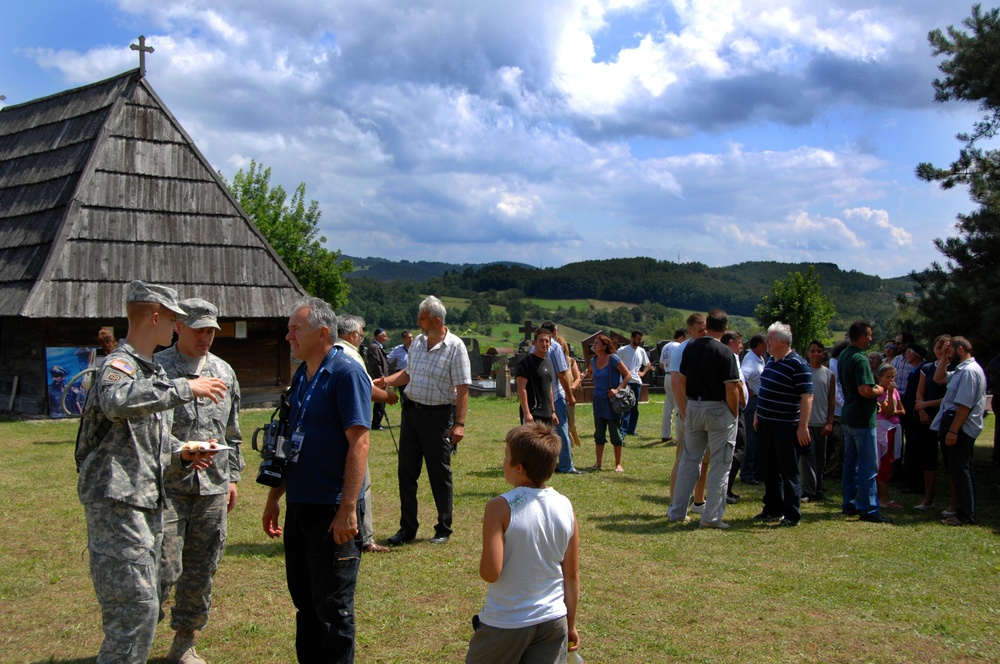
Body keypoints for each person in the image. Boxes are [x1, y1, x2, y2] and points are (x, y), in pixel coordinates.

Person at [75, 280, 227, 664]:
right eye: (174, 319)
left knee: (140, 612)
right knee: (134, 613)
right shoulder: (120, 365)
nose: (178, 326)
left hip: (143, 504)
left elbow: (149, 440)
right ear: (157, 317)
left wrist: (184, 452)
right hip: (118, 506)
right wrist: (185, 388)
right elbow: (115, 401)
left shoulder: (149, 370)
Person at [262, 297, 371, 662]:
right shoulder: (303, 374)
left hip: (331, 511)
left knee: (333, 611)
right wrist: (274, 496)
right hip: (300, 506)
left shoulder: (346, 373)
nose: (288, 336)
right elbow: (290, 438)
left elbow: (360, 442)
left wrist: (347, 510)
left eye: (296, 329)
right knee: (305, 604)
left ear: (322, 333)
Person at [156, 297, 244, 664]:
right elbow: (148, 432)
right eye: (199, 330)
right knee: (160, 566)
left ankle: (184, 642)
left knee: (201, 568)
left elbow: (232, 432)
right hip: (168, 487)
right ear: (178, 326)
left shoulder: (224, 372)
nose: (206, 337)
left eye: (211, 330)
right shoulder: (158, 369)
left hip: (212, 488)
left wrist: (234, 478)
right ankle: (137, 633)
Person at [465, 423, 580, 664]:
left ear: (518, 468)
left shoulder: (500, 507)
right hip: (553, 620)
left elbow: (491, 573)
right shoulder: (565, 506)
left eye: (506, 456)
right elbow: (571, 575)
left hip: (506, 621)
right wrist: (570, 624)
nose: (503, 461)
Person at [381, 296, 470, 546]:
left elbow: (463, 389)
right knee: (406, 472)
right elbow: (408, 374)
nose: (418, 322)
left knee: (439, 474)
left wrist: (459, 424)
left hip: (438, 418)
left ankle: (443, 527)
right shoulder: (418, 343)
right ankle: (407, 528)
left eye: (421, 318)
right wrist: (387, 381)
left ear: (436, 320)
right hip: (411, 415)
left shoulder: (455, 347)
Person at [667, 308, 740, 529]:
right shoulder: (726, 353)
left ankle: (677, 511)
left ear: (707, 324)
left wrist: (689, 405)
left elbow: (681, 381)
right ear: (725, 329)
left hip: (694, 407)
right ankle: (711, 517)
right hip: (718, 409)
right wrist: (734, 413)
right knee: (720, 463)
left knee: (689, 461)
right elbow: (731, 389)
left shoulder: (690, 348)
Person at [335, 315, 398, 554]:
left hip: (332, 431)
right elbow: (365, 389)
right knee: (362, 482)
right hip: (353, 430)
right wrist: (388, 396)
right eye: (361, 332)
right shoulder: (352, 355)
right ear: (352, 334)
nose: (362, 336)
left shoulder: (330, 352)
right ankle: (365, 537)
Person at [752, 322, 813, 527]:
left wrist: (803, 426)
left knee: (788, 471)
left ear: (782, 341)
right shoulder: (770, 361)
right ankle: (772, 508)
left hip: (786, 426)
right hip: (766, 424)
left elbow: (807, 397)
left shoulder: (798, 364)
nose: (766, 342)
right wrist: (758, 414)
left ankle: (791, 514)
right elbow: (765, 390)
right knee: (769, 469)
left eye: (770, 338)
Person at [930, 336, 987, 526]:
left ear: (960, 349)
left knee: (960, 470)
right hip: (956, 425)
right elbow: (938, 378)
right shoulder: (961, 370)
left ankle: (964, 514)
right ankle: (964, 510)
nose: (948, 355)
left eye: (950, 351)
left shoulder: (970, 372)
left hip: (961, 427)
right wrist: (944, 359)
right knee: (959, 469)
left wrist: (953, 431)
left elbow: (964, 405)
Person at [839, 321, 890, 524]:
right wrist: (881, 389)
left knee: (850, 463)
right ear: (861, 337)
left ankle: (849, 502)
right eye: (869, 335)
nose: (871, 339)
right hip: (862, 418)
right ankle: (868, 509)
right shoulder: (860, 360)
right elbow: (865, 390)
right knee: (868, 465)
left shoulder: (844, 355)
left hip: (849, 416)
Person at [668, 314, 709, 510]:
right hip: (687, 411)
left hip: (702, 411)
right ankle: (673, 503)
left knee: (705, 459)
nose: (705, 333)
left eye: (706, 329)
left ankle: (699, 501)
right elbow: (676, 384)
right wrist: (684, 413)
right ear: (690, 331)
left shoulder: (706, 348)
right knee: (682, 459)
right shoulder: (682, 351)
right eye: (700, 330)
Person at [583, 334, 631, 472]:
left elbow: (627, 375)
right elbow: (591, 372)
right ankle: (598, 463)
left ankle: (618, 464)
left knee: (615, 432)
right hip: (598, 400)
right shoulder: (594, 360)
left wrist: (617, 389)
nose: (594, 344)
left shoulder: (613, 359)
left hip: (611, 402)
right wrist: (588, 376)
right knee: (599, 432)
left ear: (604, 346)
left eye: (597, 343)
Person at [913, 335, 951, 511]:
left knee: (951, 459)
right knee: (928, 458)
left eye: (944, 349)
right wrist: (921, 410)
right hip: (926, 417)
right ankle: (928, 499)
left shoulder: (956, 370)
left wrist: (925, 405)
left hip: (945, 416)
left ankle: (954, 502)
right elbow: (920, 392)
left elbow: (949, 398)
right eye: (938, 348)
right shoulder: (927, 368)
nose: (940, 352)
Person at [540, 321, 582, 474]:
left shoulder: (535, 347)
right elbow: (562, 374)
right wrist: (570, 395)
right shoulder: (556, 347)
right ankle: (566, 465)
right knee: (562, 429)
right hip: (556, 395)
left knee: (542, 431)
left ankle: (544, 464)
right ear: (555, 332)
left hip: (539, 396)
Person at [800, 340, 835, 502]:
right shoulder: (803, 371)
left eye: (818, 351)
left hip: (821, 423)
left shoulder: (829, 374)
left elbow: (831, 399)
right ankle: (807, 491)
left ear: (823, 354)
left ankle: (818, 488)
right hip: (806, 423)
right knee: (807, 458)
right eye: (812, 351)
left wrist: (829, 422)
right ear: (808, 353)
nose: (815, 354)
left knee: (821, 460)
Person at [874, 364, 904, 510]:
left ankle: (883, 495)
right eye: (887, 377)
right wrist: (890, 394)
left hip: (893, 428)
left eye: (893, 377)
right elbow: (888, 412)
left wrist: (895, 410)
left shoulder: (895, 391)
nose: (891, 380)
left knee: (890, 461)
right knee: (882, 461)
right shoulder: (880, 392)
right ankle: (883, 498)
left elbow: (902, 410)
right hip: (882, 430)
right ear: (880, 377)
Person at [516, 327, 558, 426]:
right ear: (534, 343)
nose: (544, 344)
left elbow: (549, 388)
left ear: (550, 343)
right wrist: (526, 413)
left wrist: (553, 411)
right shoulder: (526, 362)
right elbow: (521, 388)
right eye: (541, 341)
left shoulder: (548, 362)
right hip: (533, 414)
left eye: (547, 341)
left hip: (547, 414)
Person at [740, 333, 767, 485]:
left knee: (757, 439)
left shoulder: (759, 358)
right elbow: (743, 377)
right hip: (753, 402)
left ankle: (756, 471)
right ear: (758, 345)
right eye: (765, 343)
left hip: (759, 401)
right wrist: (748, 392)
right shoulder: (751, 360)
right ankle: (747, 473)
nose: (767, 345)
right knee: (751, 438)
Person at [616, 330, 650, 439]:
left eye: (641, 339)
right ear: (632, 338)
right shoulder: (623, 350)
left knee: (634, 408)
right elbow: (614, 361)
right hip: (626, 381)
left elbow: (648, 364)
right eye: (638, 339)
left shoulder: (641, 351)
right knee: (625, 406)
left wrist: (643, 372)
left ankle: (631, 429)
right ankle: (623, 429)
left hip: (637, 382)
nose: (640, 341)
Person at [660, 329, 686, 443]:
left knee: (668, 406)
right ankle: (679, 435)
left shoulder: (665, 346)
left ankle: (665, 434)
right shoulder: (679, 347)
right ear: (681, 337)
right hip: (676, 376)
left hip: (667, 376)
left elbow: (661, 364)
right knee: (679, 406)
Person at [366, 328, 390, 430]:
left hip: (381, 379)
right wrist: (381, 378)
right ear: (378, 337)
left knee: (381, 401)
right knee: (380, 401)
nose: (386, 338)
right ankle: (376, 423)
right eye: (384, 336)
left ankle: (377, 422)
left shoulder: (377, 347)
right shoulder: (374, 347)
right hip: (380, 379)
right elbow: (376, 364)